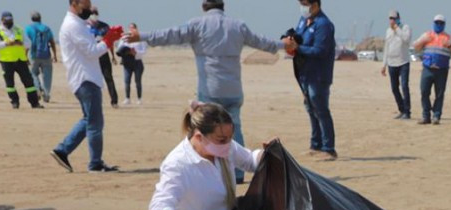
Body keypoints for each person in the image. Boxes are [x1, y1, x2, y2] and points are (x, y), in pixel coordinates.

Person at [124, 2, 284, 183]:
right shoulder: (238, 26)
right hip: (233, 90)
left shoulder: (197, 25)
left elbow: (170, 35)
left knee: (207, 131)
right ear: (222, 6)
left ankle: (213, 170)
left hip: (210, 89)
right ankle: (237, 173)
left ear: (204, 7)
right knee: (234, 128)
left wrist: (141, 36)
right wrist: (284, 44)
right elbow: (262, 42)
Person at [50, 0, 121, 173]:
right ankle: (95, 163)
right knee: (95, 123)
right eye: (86, 6)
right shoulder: (73, 25)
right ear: (74, 3)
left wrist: (107, 37)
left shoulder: (80, 24)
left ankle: (62, 150)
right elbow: (91, 51)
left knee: (89, 119)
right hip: (84, 79)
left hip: (86, 78)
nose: (89, 9)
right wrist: (108, 41)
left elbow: (91, 48)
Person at [284, 0, 337, 159]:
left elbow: (320, 50)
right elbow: (299, 37)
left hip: (318, 75)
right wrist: (290, 39)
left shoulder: (324, 24)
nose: (303, 7)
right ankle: (316, 144)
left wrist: (298, 48)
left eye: (306, 3)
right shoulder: (303, 20)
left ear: (315, 5)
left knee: (321, 109)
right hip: (304, 73)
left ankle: (329, 148)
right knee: (310, 108)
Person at [0, 11, 42, 109]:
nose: (9, 22)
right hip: (6, 61)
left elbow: (29, 43)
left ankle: (34, 103)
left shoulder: (18, 29)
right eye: (6, 20)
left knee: (29, 83)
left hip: (20, 60)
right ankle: (15, 102)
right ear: (2, 20)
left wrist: (21, 43)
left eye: (10, 20)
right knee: (10, 84)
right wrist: (6, 44)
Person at [412, 15, 451, 125]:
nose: (439, 25)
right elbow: (415, 46)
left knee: (439, 94)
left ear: (444, 24)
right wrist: (423, 41)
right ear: (433, 23)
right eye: (437, 22)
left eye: (441, 23)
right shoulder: (427, 35)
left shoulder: (448, 37)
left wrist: (450, 46)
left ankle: (436, 116)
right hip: (427, 69)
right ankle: (426, 116)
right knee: (424, 92)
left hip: (442, 70)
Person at [381, 10, 412, 120]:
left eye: (394, 18)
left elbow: (406, 40)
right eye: (390, 18)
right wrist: (384, 65)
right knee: (394, 88)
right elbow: (386, 48)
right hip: (392, 63)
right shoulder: (388, 31)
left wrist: (397, 29)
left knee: (404, 86)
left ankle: (407, 111)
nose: (392, 20)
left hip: (403, 62)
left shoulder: (405, 28)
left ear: (398, 18)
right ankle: (402, 109)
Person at [87, 7, 119, 108]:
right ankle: (92, 101)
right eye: (92, 13)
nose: (94, 15)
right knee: (91, 79)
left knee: (108, 77)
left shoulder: (105, 27)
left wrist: (113, 55)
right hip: (91, 56)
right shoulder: (85, 26)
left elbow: (110, 42)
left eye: (96, 13)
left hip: (103, 55)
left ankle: (114, 101)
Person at [24, 12, 57, 102]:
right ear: (40, 18)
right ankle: (46, 94)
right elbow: (52, 42)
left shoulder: (28, 28)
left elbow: (27, 44)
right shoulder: (47, 28)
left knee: (33, 73)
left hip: (34, 55)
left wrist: (25, 56)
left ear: (31, 18)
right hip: (46, 55)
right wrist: (55, 55)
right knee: (47, 76)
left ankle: (37, 88)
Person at [118, 25, 146, 105]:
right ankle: (127, 98)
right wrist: (127, 51)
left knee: (138, 81)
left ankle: (139, 99)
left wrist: (135, 53)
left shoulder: (140, 39)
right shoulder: (124, 38)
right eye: (130, 28)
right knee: (127, 81)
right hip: (127, 62)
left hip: (137, 62)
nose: (131, 29)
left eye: (133, 28)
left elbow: (143, 51)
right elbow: (119, 49)